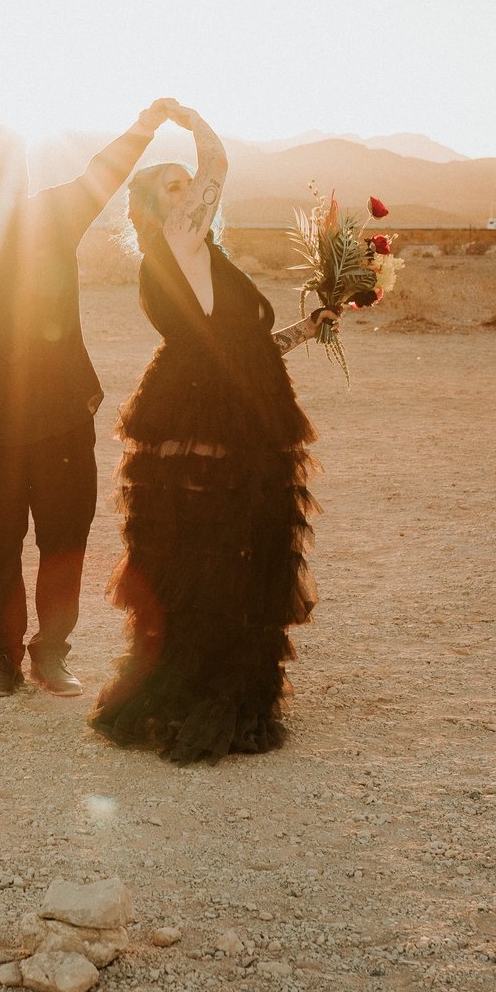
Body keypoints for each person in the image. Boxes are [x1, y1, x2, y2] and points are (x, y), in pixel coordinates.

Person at [0, 103, 175, 698]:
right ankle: (2, 660)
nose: (10, 177)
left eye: (17, 165)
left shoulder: (54, 216)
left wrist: (146, 125)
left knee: (64, 541)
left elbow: (106, 170)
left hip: (63, 418)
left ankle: (51, 654)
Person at [90, 104, 331, 763]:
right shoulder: (177, 241)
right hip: (210, 418)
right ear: (151, 206)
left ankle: (192, 682)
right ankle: (205, 690)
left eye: (184, 184)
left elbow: (240, 345)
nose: (187, 189)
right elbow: (217, 166)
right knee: (218, 555)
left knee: (226, 554)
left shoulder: (196, 257)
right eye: (170, 185)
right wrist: (191, 123)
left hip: (224, 403)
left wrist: (309, 328)